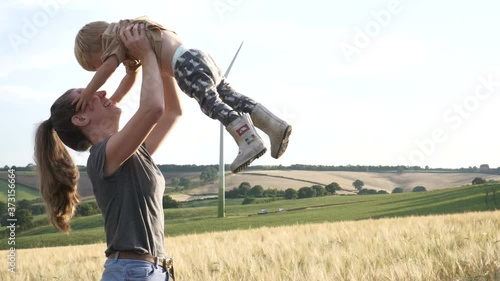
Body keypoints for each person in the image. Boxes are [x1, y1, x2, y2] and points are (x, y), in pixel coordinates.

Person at [34, 23, 180, 280]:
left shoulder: (134, 153)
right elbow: (154, 108)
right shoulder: (102, 155)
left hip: (153, 271)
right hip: (134, 272)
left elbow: (171, 112)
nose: (101, 90)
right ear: (80, 120)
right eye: (86, 93)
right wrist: (145, 54)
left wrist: (157, 52)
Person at [72, 16, 292, 173]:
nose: (109, 62)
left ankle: (248, 140)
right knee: (230, 95)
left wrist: (88, 93)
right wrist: (117, 97)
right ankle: (275, 126)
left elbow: (108, 68)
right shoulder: (130, 35)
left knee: (210, 103)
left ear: (102, 40)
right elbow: (130, 76)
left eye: (97, 62)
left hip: (184, 68)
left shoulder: (113, 38)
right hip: (197, 56)